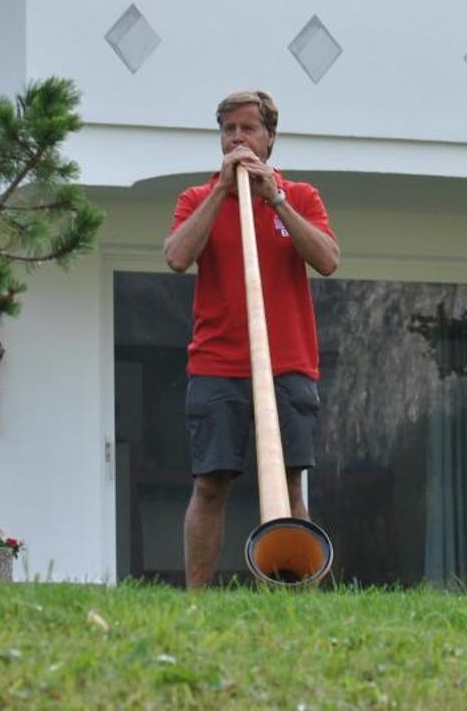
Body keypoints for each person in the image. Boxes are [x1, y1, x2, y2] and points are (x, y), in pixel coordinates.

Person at [164, 89, 339, 589]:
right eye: (228, 129)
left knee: (288, 486)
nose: (237, 138)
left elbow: (328, 260)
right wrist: (222, 192)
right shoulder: (197, 198)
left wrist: (275, 200)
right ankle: (196, 599)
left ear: (270, 139)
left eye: (248, 128)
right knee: (210, 484)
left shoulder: (300, 196)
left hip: (288, 365)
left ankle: (294, 590)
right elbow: (177, 257)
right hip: (217, 366)